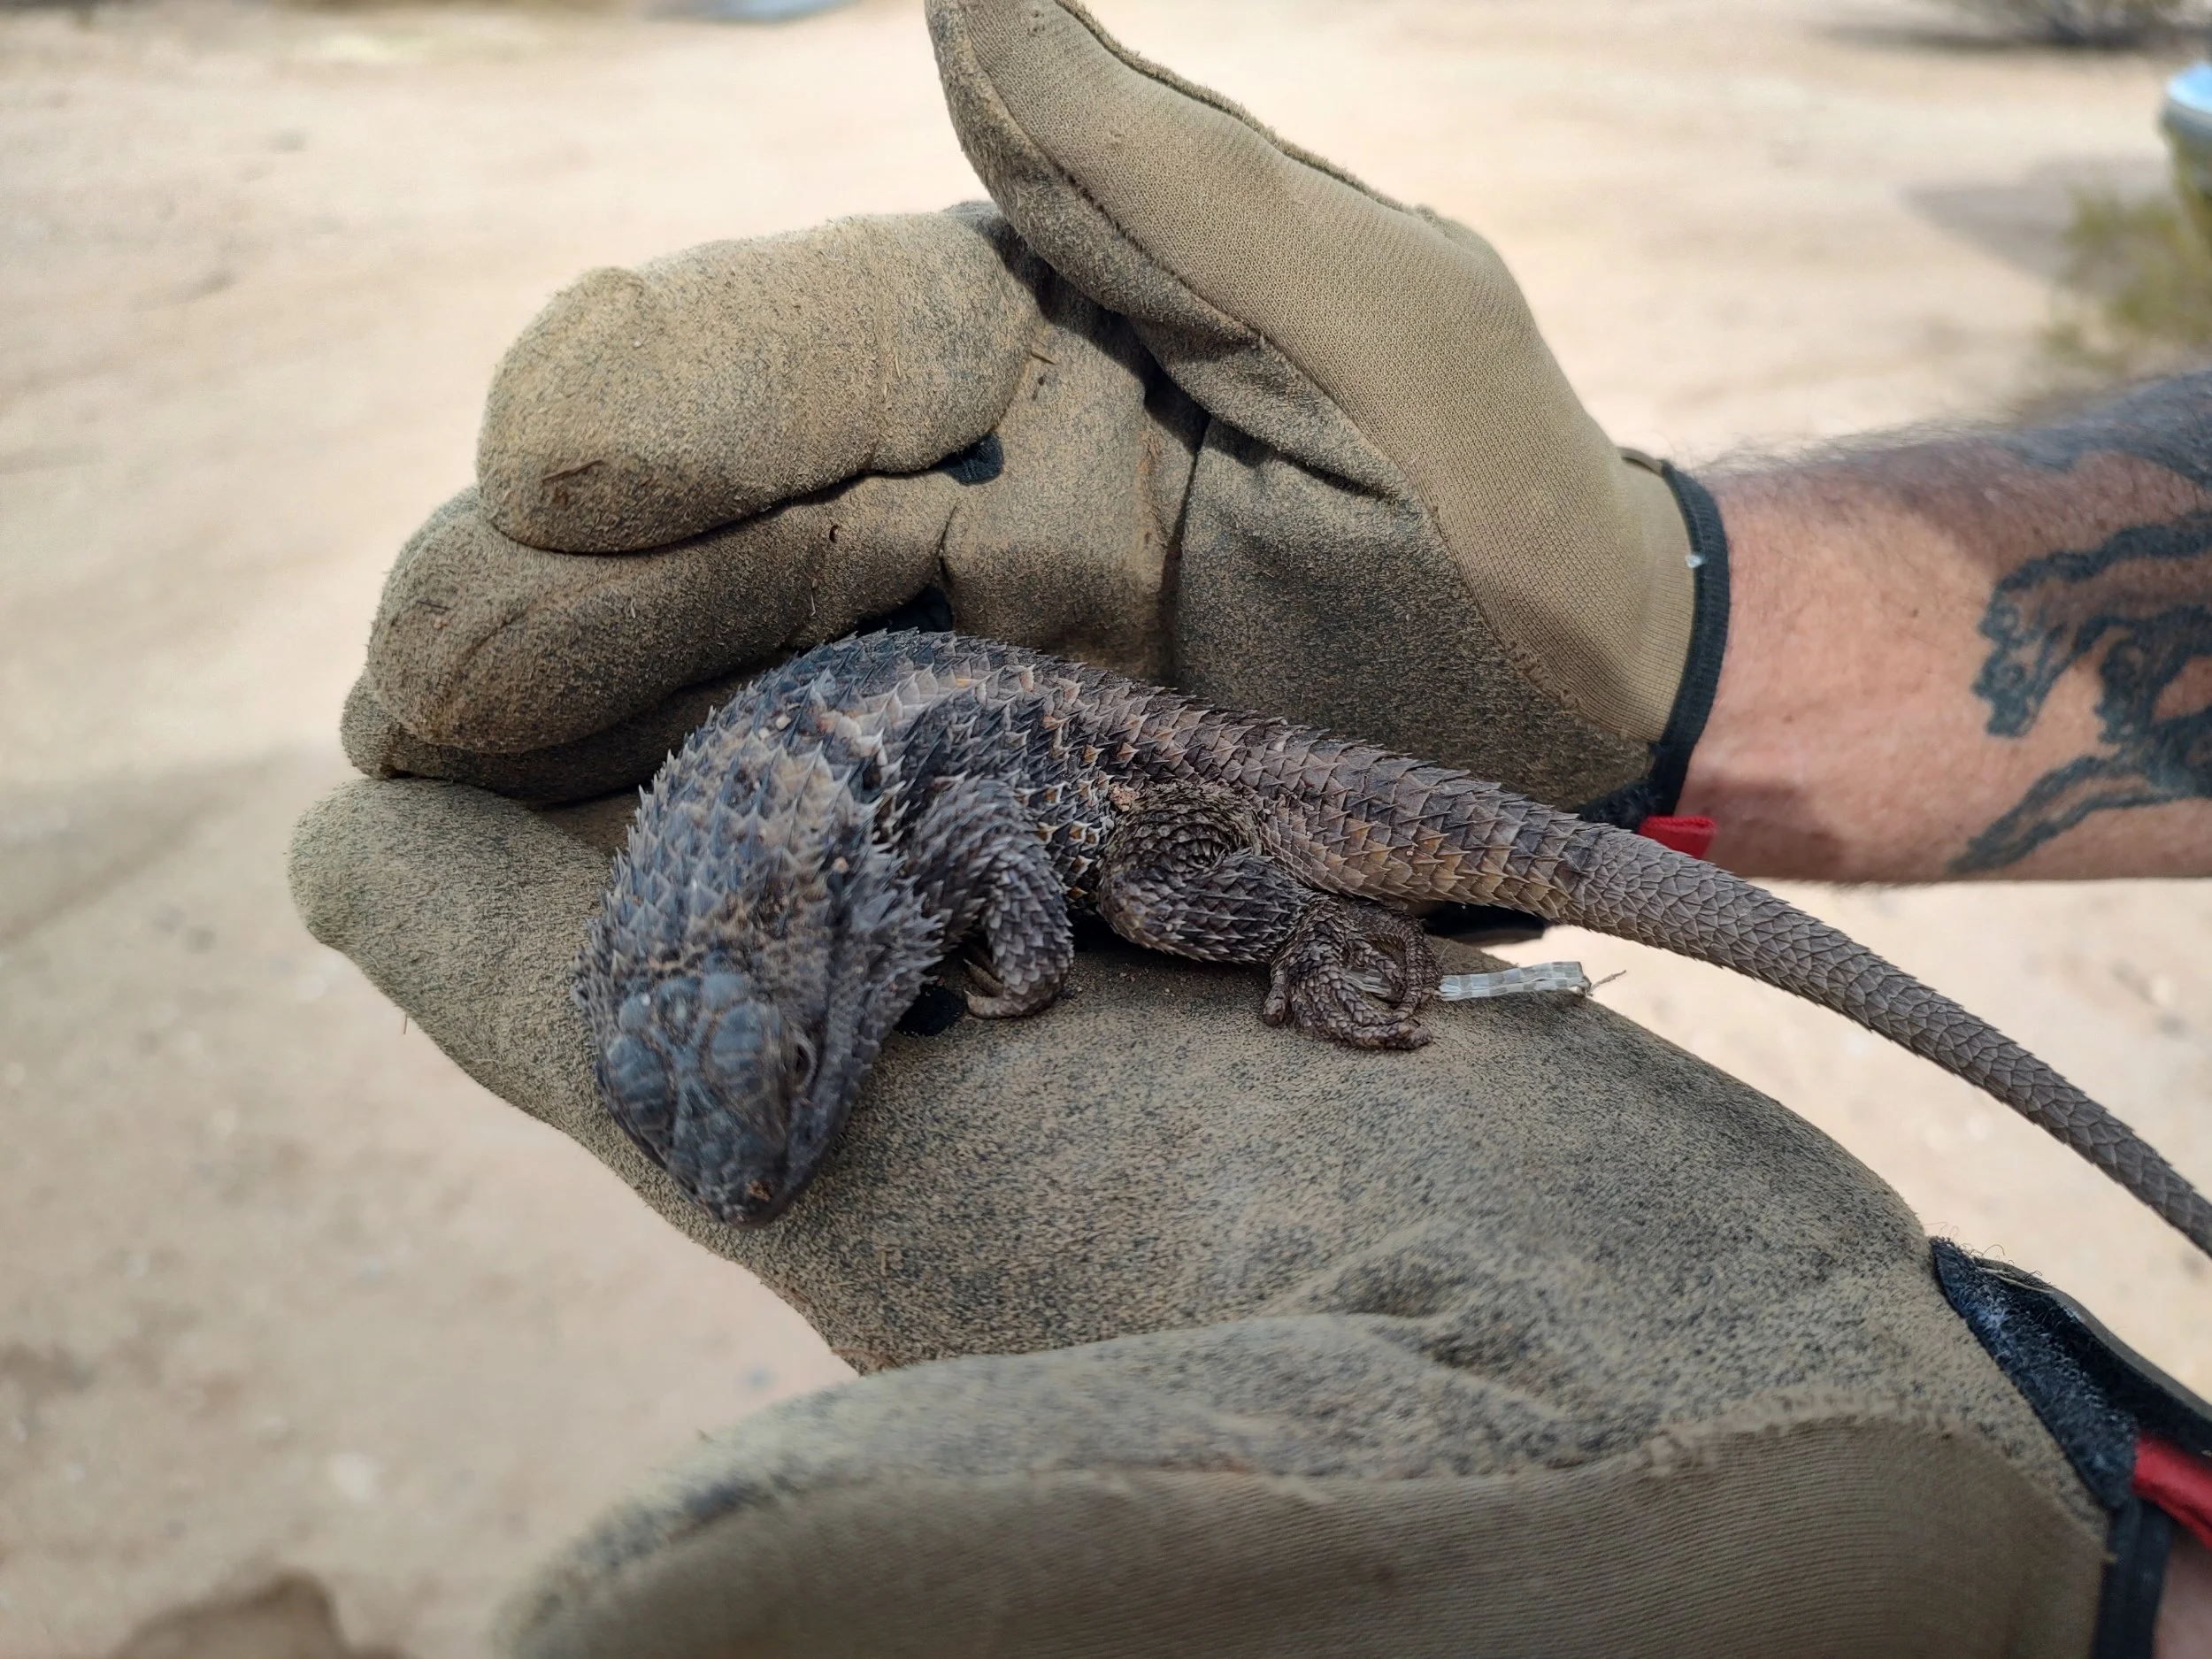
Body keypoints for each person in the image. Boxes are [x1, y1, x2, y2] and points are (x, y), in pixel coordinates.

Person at [288, 1, 2212, 1652]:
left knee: (1149, 884)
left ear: (790, 970)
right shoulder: (732, 906)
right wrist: (1676, 625)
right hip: (995, 750)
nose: (769, 1151)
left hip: (1127, 772)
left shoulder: (836, 876)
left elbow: (1001, 874)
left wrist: (1044, 963)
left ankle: (1333, 937)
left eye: (787, 1067)